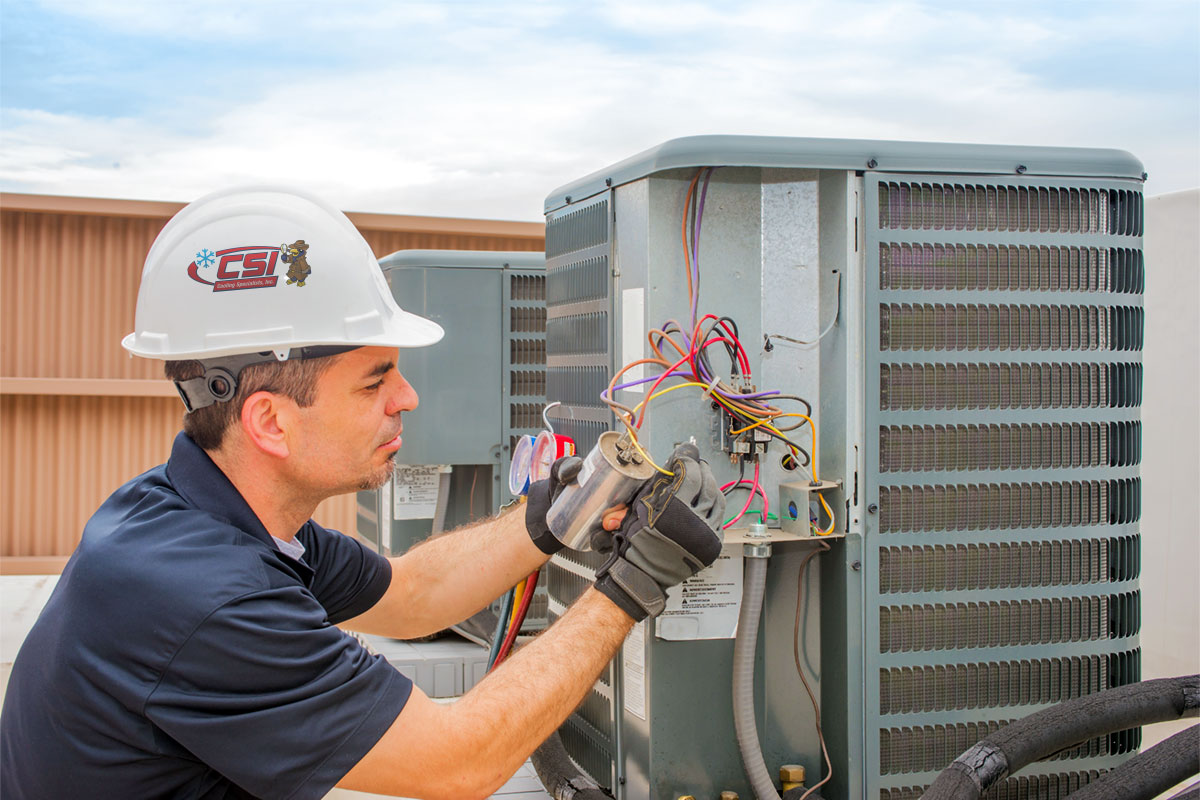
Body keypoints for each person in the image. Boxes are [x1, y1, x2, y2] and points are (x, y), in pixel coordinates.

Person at [0, 186, 725, 800]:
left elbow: (409, 594)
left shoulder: (194, 512)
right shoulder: (207, 601)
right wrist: (634, 584)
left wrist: (551, 514)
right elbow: (458, 759)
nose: (407, 398)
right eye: (375, 381)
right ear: (270, 422)